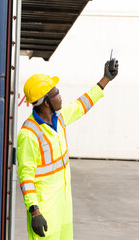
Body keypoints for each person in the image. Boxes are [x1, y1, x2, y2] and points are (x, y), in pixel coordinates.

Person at [17, 60, 119, 239]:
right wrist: (35, 211)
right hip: (45, 207)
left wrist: (106, 79)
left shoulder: (59, 118)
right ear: (46, 102)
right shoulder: (29, 134)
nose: (60, 96)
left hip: (63, 202)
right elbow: (26, 177)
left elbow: (82, 105)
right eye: (56, 93)